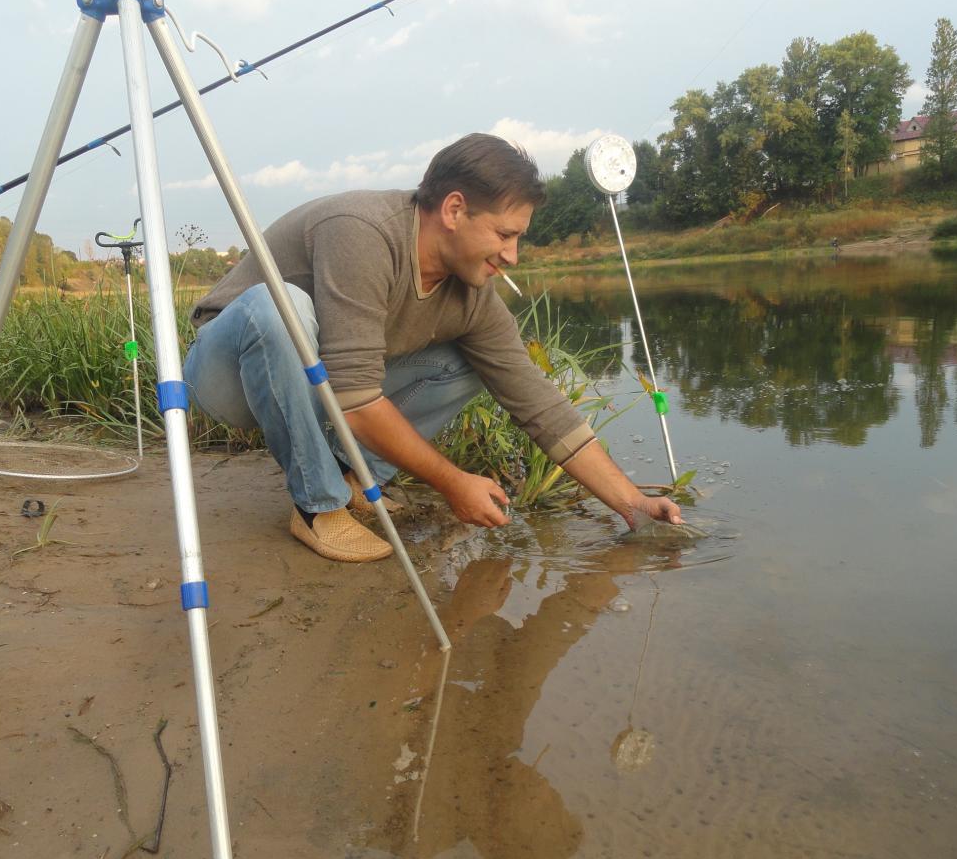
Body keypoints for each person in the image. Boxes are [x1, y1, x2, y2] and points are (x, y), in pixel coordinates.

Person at [183, 133, 681, 562]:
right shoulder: (363, 232)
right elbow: (355, 400)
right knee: (281, 306)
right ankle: (318, 505)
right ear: (454, 209)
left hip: (313, 381)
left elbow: (539, 403)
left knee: (472, 363)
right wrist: (453, 482)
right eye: (504, 234)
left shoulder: (472, 293)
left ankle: (350, 477)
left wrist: (631, 503)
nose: (512, 255)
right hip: (229, 375)